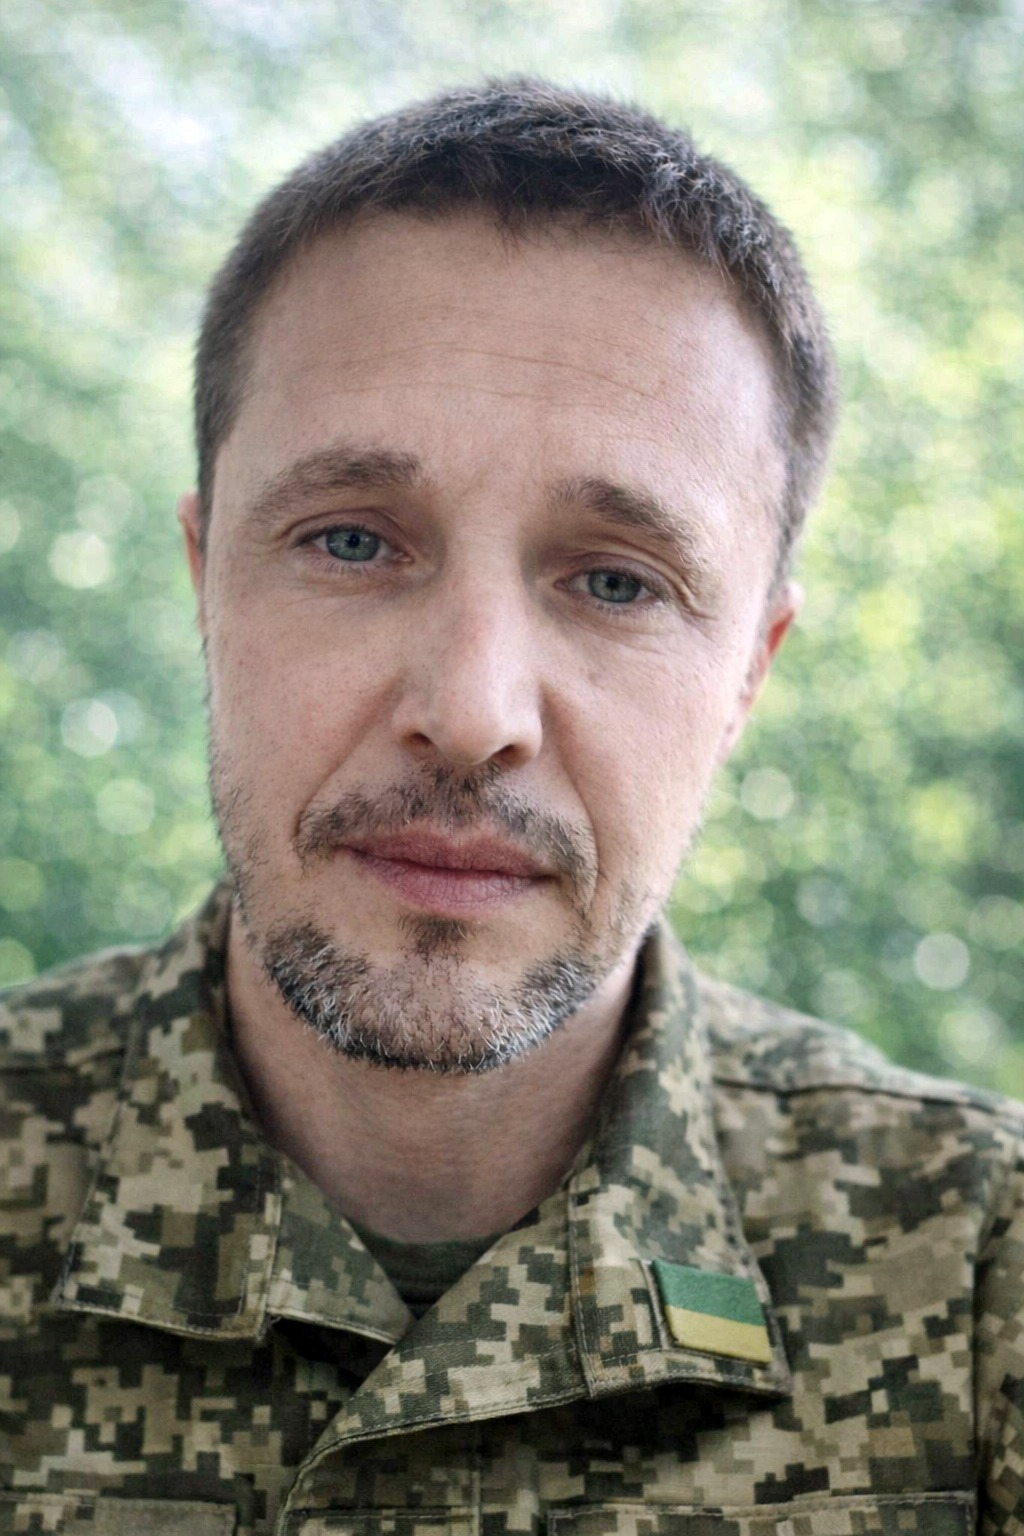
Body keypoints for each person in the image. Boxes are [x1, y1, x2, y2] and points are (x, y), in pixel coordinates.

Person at [1, 78, 1021, 1536]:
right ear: (204, 578)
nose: (475, 713)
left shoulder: (983, 1272)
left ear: (747, 674)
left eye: (616, 580)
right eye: (352, 540)